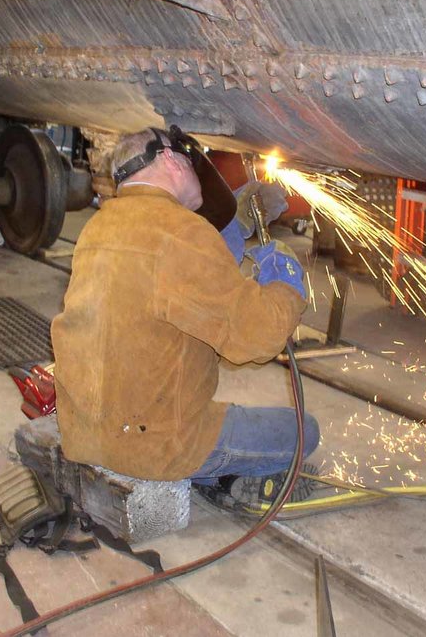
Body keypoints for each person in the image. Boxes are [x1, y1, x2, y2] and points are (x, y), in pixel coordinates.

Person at [50, 126, 320, 502]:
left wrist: (233, 224)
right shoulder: (182, 234)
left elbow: (176, 282)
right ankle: (217, 475)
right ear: (171, 160)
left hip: (85, 432)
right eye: (190, 161)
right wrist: (286, 287)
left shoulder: (100, 228)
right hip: (156, 447)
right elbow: (253, 340)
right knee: (304, 432)